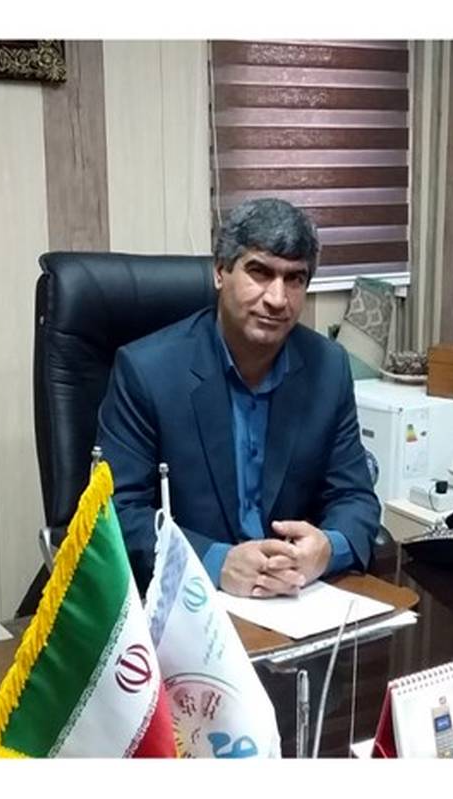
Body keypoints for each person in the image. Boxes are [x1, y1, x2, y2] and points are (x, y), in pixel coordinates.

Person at [97, 198, 380, 597]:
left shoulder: (327, 367)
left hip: (295, 599)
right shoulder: (146, 371)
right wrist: (216, 561)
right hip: (188, 602)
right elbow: (117, 514)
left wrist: (327, 549)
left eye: (294, 279)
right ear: (220, 271)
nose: (277, 299)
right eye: (259, 272)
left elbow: (355, 497)